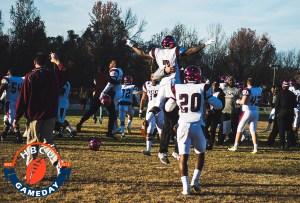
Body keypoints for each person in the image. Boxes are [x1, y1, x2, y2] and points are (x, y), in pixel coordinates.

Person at [126, 35, 215, 164]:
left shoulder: (157, 51)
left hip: (163, 84)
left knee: (159, 108)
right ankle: (175, 150)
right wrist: (204, 44)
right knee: (182, 115)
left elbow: (142, 53)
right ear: (173, 44)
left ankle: (150, 125)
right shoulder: (175, 51)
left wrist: (131, 45)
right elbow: (190, 51)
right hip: (174, 85)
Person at [164, 65, 222, 195]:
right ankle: (195, 181)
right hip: (197, 125)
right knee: (200, 153)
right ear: (198, 76)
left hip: (183, 125)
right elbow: (218, 105)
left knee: (183, 157)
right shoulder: (203, 87)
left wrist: (175, 101)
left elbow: (168, 108)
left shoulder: (177, 87)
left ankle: (185, 187)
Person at [13, 52, 68, 171]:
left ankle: (31, 170)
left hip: (35, 115)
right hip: (50, 114)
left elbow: (23, 98)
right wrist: (57, 62)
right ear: (46, 63)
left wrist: (16, 117)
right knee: (48, 142)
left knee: (32, 143)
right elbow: (64, 74)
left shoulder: (30, 76)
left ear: (34, 62)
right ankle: (59, 163)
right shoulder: (52, 75)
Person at [228, 78, 262, 154]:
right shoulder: (259, 90)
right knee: (253, 130)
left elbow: (243, 101)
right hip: (255, 111)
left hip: (247, 111)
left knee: (239, 128)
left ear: (247, 83)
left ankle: (235, 146)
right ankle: (255, 148)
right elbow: (260, 102)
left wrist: (237, 101)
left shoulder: (247, 89)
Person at [76, 67, 109, 132]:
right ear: (104, 70)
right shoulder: (105, 77)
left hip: (96, 96)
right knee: (111, 112)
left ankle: (80, 123)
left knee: (90, 112)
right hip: (102, 96)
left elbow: (95, 86)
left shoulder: (96, 77)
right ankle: (113, 128)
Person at [140, 73, 164, 155]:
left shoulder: (162, 84)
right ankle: (148, 150)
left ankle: (162, 150)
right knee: (150, 129)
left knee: (161, 130)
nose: (154, 78)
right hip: (150, 110)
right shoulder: (147, 84)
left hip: (160, 110)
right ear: (150, 77)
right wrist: (140, 110)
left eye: (156, 76)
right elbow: (143, 99)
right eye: (152, 76)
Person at [100, 59, 123, 139]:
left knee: (111, 111)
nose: (109, 64)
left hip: (115, 92)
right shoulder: (120, 70)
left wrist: (103, 92)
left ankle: (114, 128)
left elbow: (111, 83)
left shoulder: (113, 70)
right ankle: (115, 128)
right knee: (111, 111)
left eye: (110, 63)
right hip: (118, 91)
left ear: (113, 64)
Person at [0, 68, 24, 143]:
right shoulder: (22, 79)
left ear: (9, 73)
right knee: (7, 119)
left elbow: (3, 85)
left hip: (10, 102)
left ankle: (19, 137)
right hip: (19, 102)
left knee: (12, 120)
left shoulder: (7, 78)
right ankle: (3, 135)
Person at [218, 76, 241, 144]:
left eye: (232, 80)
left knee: (234, 128)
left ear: (234, 81)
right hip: (225, 111)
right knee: (223, 127)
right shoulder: (224, 89)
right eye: (229, 80)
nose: (231, 81)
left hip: (234, 112)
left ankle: (233, 141)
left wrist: (238, 108)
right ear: (227, 81)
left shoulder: (238, 90)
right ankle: (220, 141)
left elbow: (241, 100)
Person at [276, 81, 297, 150]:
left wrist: (276, 113)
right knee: (289, 129)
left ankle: (282, 145)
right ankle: (289, 144)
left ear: (283, 86)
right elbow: (295, 105)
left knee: (281, 130)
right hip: (290, 113)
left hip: (282, 113)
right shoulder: (292, 94)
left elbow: (277, 105)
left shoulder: (279, 94)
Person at [205, 80, 225, 150]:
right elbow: (206, 102)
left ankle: (210, 144)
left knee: (213, 130)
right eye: (213, 86)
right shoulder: (209, 93)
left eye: (216, 86)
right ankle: (209, 138)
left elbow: (222, 105)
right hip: (208, 114)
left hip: (216, 114)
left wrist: (213, 111)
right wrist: (207, 109)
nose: (214, 87)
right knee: (204, 128)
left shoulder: (221, 94)